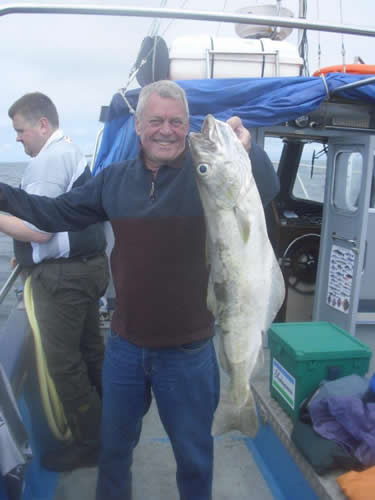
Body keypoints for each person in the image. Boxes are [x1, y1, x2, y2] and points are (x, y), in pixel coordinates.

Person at [0, 81, 279, 499]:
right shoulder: (112, 181)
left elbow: (263, 189)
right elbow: (52, 212)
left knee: (195, 457)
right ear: (137, 125)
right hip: (126, 349)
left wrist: (248, 150)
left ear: (187, 126)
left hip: (189, 353)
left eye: (176, 122)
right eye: (155, 121)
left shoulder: (208, 174)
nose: (165, 130)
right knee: (113, 454)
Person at [0, 92, 109, 472]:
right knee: (92, 351)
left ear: (42, 125)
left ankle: (94, 444)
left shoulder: (48, 160)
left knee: (64, 364)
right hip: (88, 269)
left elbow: (38, 229)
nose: (17, 138)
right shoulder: (68, 151)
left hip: (65, 280)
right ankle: (114, 425)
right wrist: (24, 253)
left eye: (20, 130)